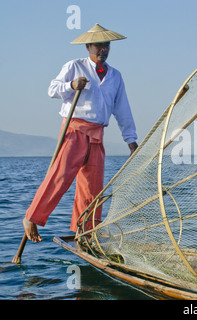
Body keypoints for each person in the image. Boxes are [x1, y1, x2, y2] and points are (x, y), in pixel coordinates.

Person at [22, 24, 138, 243]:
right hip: (74, 130)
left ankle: (86, 232)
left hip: (97, 135)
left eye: (106, 46)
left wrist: (131, 140)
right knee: (60, 176)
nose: (103, 50)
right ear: (88, 47)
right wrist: (71, 85)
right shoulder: (75, 66)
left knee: (93, 188)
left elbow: (123, 110)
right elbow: (52, 89)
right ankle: (31, 216)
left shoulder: (115, 76)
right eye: (99, 46)